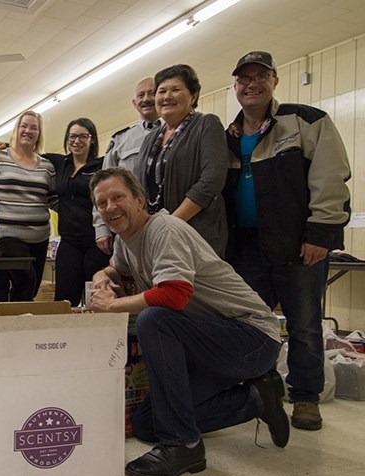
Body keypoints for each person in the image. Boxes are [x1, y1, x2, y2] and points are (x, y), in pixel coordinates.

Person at [90, 167, 286, 476]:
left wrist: (111, 305)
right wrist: (101, 278)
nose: (110, 207)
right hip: (212, 345)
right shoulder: (125, 241)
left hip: (252, 339)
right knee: (147, 424)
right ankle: (258, 397)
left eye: (118, 198)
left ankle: (184, 445)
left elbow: (174, 294)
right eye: (102, 203)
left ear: (140, 201)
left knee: (155, 319)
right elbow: (114, 269)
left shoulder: (164, 229)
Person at [224, 51, 352, 431]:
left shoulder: (305, 121)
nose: (252, 84)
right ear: (235, 87)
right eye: (244, 79)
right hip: (246, 248)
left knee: (305, 325)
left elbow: (330, 180)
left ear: (275, 81)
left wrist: (320, 234)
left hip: (298, 245)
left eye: (261, 76)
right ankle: (257, 391)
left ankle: (306, 397)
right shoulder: (228, 136)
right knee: (251, 324)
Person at [134, 64, 228, 257]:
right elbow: (137, 185)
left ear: (193, 96)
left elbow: (212, 179)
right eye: (161, 91)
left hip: (196, 234)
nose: (167, 96)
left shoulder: (207, 124)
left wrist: (172, 224)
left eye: (176, 90)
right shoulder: (151, 138)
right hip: (155, 235)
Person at [0, 110, 57, 302]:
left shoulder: (47, 166)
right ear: (16, 129)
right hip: (6, 234)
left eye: (34, 127)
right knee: (26, 279)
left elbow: (52, 199)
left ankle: (12, 322)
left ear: (39, 133)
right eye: (24, 126)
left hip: (39, 237)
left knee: (31, 288)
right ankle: (10, 322)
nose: (28, 131)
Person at [43, 118, 110, 306]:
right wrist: (6, 145)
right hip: (69, 242)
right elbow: (29, 154)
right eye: (72, 136)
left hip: (96, 242)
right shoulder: (60, 163)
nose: (77, 141)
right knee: (64, 300)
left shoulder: (101, 165)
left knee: (95, 298)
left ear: (92, 139)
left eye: (83, 136)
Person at [103, 77, 160, 170]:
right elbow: (107, 178)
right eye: (141, 95)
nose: (146, 99)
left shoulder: (175, 131)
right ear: (134, 103)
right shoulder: (119, 139)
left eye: (152, 93)